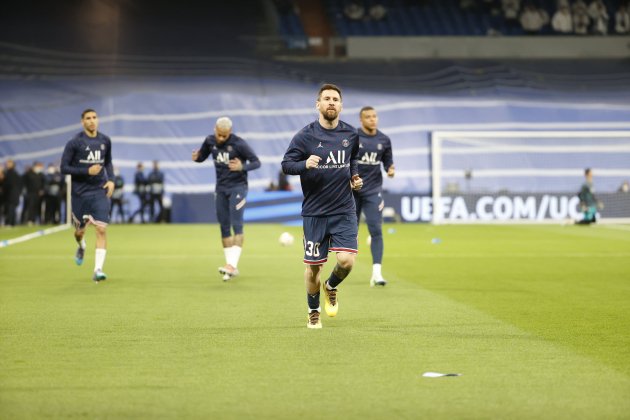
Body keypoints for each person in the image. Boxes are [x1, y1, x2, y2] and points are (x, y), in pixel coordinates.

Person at [281, 83, 363, 329]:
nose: (331, 102)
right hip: (315, 212)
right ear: (318, 104)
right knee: (313, 268)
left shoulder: (351, 135)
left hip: (344, 209)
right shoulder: (305, 136)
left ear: (340, 105)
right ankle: (313, 311)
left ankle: (331, 286)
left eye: (335, 99)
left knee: (347, 261)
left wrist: (354, 177)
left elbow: (353, 158)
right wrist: (304, 164)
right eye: (326, 98)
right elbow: (286, 164)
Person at [192, 117, 261, 281]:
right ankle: (231, 266)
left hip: (238, 188)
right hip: (221, 188)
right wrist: (197, 158)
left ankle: (231, 265)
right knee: (224, 227)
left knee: (237, 225)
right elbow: (202, 156)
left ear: (229, 132)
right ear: (215, 129)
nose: (221, 138)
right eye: (219, 135)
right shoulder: (209, 141)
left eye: (225, 136)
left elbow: (256, 162)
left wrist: (242, 167)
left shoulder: (239, 144)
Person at [60, 109, 114, 282]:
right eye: (88, 118)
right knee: (79, 231)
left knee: (101, 229)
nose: (92, 121)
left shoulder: (105, 140)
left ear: (98, 120)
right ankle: (81, 245)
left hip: (99, 191)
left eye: (94, 118)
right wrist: (87, 170)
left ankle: (98, 269)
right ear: (82, 122)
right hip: (79, 194)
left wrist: (111, 180)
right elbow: (64, 168)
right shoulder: (75, 143)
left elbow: (108, 162)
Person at [354, 106, 395, 287]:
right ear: (361, 120)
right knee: (350, 231)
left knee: (376, 230)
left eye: (375, 116)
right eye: (368, 117)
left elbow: (388, 163)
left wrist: (391, 170)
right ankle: (343, 265)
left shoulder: (384, 140)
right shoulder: (353, 137)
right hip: (351, 191)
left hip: (373, 190)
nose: (372, 119)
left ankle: (377, 273)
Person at [2, 160, 22, 226]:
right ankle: (12, 223)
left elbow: (7, 184)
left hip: (10, 194)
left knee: (10, 209)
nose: (7, 165)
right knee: (12, 208)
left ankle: (9, 222)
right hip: (14, 194)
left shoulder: (9, 173)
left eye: (8, 164)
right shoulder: (15, 173)